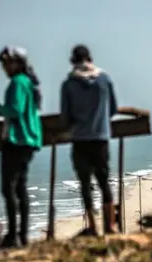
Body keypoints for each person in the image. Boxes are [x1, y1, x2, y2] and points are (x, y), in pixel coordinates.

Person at [61, 44, 118, 235]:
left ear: (73, 61)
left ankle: (93, 226)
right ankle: (110, 225)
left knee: (85, 185)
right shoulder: (104, 79)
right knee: (104, 181)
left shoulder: (68, 84)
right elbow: (113, 109)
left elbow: (66, 117)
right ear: (90, 59)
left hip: (80, 139)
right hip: (101, 137)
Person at [0, 46, 43, 248]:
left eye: (7, 63)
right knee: (20, 187)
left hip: (17, 139)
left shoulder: (17, 83)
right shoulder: (28, 82)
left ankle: (13, 235)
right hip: (29, 139)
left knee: (9, 188)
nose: (4, 67)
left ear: (17, 63)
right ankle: (22, 235)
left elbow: (14, 110)